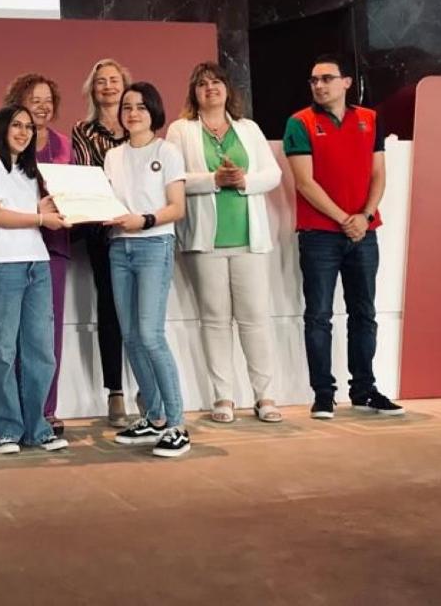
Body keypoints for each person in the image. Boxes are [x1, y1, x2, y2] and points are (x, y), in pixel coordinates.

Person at [284, 55, 403, 419]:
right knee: (319, 315)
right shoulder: (299, 122)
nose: (319, 85)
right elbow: (304, 182)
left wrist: (364, 216)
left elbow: (379, 174)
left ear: (347, 82)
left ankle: (364, 390)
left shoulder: (370, 119)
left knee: (364, 313)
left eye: (327, 78)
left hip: (364, 232)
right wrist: (344, 219)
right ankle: (323, 395)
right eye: (314, 80)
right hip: (319, 235)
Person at [166, 62, 283, 424]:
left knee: (254, 319)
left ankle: (264, 396)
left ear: (228, 89)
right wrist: (213, 180)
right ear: (194, 93)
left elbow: (273, 174)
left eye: (216, 82)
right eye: (202, 84)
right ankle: (223, 397)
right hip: (206, 242)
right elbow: (174, 177)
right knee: (214, 321)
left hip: (250, 239)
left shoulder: (248, 128)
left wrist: (244, 180)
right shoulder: (181, 130)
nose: (210, 88)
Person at [0, 106, 70, 454]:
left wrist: (57, 206)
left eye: (28, 127)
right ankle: (5, 428)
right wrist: (40, 218)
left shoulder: (28, 170)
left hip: (36, 263)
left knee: (41, 351)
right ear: (2, 128)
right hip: (0, 265)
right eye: (16, 125)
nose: (24, 132)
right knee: (3, 351)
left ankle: (37, 428)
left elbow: (30, 210)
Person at [103, 82, 192, 457]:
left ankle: (177, 424)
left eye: (140, 106)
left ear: (153, 111)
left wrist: (145, 220)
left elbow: (177, 207)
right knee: (132, 336)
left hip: (155, 245)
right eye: (127, 107)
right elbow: (106, 202)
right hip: (119, 247)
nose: (133, 113)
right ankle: (154, 416)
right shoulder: (113, 156)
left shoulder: (166, 151)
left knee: (151, 334)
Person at [70, 58, 133, 426]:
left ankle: (148, 388)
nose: (108, 86)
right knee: (110, 309)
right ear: (92, 90)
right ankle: (116, 392)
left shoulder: (140, 124)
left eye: (114, 80)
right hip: (103, 232)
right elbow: (88, 176)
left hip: (142, 229)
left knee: (142, 313)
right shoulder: (82, 130)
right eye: (101, 81)